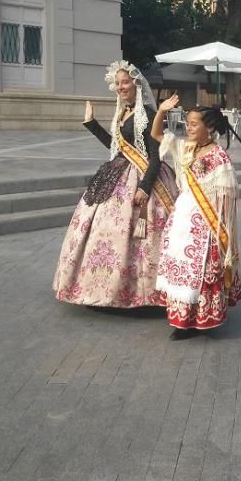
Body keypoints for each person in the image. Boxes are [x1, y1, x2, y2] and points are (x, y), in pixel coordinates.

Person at [54, 61, 177, 308]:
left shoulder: (150, 116)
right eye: (118, 83)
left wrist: (144, 187)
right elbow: (117, 148)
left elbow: (155, 156)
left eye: (125, 82)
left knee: (141, 239)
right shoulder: (123, 113)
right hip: (120, 173)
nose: (120, 87)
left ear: (136, 84)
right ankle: (101, 287)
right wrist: (91, 124)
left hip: (143, 178)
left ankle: (143, 292)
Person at [151, 96, 241, 336]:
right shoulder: (187, 148)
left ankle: (199, 319)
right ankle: (181, 318)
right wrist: (161, 110)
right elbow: (157, 135)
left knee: (200, 269)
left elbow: (226, 199)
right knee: (180, 264)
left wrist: (221, 232)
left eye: (194, 124)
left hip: (205, 221)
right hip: (183, 214)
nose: (188, 128)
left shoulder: (219, 158)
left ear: (209, 127)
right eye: (187, 123)